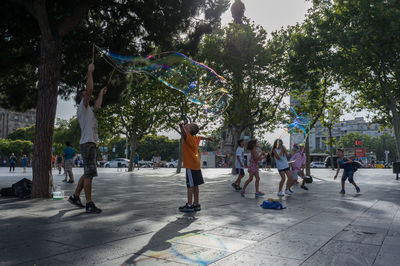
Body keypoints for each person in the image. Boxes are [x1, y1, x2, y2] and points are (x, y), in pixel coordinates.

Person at [68, 63, 107, 214]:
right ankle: (89, 203)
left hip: (89, 144)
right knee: (89, 174)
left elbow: (97, 104)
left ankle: (75, 196)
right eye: (85, 94)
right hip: (88, 144)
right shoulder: (82, 108)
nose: (88, 95)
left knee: (87, 172)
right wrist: (89, 72)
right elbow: (90, 89)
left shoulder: (89, 109)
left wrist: (102, 93)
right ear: (82, 98)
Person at [178, 121, 214, 212]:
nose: (187, 125)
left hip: (190, 165)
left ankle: (189, 205)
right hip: (196, 164)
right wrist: (207, 138)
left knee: (190, 185)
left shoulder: (188, 137)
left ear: (190, 130)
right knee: (195, 185)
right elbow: (201, 137)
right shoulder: (195, 137)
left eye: (188, 126)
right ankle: (196, 204)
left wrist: (181, 126)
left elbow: (183, 134)